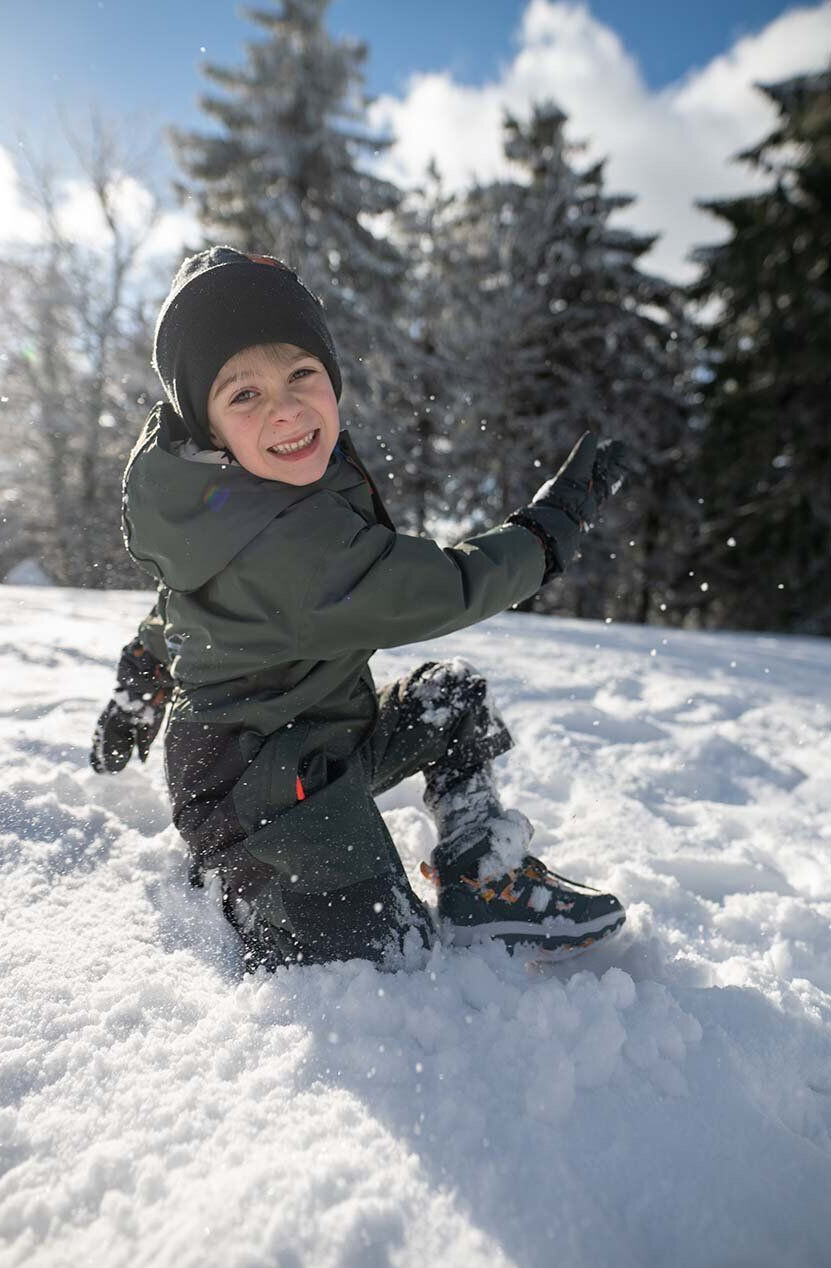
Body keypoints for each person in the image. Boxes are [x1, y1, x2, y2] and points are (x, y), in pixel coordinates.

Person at [91, 246, 628, 972]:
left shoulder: (234, 498)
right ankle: (246, 885)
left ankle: (480, 871)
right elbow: (440, 586)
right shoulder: (281, 536)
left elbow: (184, 601)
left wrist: (143, 674)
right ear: (208, 424)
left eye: (300, 374)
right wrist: (546, 531)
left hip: (323, 736)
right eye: (243, 394)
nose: (283, 406)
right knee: (380, 956)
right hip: (248, 783)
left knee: (447, 696)